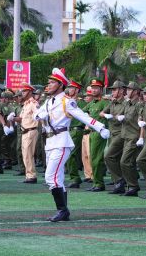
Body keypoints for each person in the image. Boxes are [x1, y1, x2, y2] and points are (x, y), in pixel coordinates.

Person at [35, 68, 110, 222]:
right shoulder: (49, 101)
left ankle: (62, 210)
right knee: (58, 178)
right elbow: (37, 114)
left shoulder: (67, 102)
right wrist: (40, 115)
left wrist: (100, 127)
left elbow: (83, 117)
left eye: (52, 82)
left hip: (61, 141)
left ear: (61, 84)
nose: (48, 85)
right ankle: (64, 212)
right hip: (50, 142)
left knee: (51, 177)